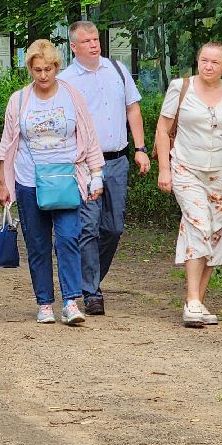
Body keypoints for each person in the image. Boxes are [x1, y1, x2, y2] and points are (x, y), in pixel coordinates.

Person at [0, 39, 105, 326]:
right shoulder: (19, 100)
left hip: (67, 179)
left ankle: (71, 301)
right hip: (29, 179)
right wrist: (4, 184)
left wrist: (96, 175)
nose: (43, 75)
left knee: (69, 238)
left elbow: (89, 135)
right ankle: (44, 302)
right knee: (38, 244)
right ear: (30, 69)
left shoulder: (72, 95)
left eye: (48, 69)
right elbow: (7, 145)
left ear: (57, 67)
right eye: (37, 70)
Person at [154, 41, 222, 328]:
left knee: (217, 234)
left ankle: (195, 302)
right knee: (198, 224)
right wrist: (165, 169)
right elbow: (163, 130)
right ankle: (193, 299)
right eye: (204, 60)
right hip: (186, 167)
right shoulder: (180, 87)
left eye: (215, 62)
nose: (208, 66)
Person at [59, 20, 150, 316]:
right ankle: (91, 291)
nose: (94, 44)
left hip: (118, 160)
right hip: (85, 165)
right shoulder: (66, 80)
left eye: (96, 39)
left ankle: (87, 277)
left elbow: (132, 108)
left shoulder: (118, 70)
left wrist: (140, 148)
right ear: (74, 46)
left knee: (113, 227)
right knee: (88, 227)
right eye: (86, 41)